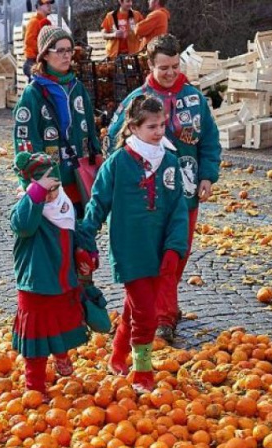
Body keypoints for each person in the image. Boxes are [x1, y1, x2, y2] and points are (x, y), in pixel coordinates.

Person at [107, 34, 220, 343]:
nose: (170, 73)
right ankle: (162, 316)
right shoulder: (136, 101)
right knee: (154, 259)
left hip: (186, 195)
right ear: (150, 65)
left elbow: (210, 141)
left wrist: (208, 176)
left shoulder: (194, 98)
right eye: (163, 68)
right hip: (148, 200)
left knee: (176, 255)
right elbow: (113, 143)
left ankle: (163, 307)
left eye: (174, 66)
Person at [79, 95, 189, 392]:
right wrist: (84, 240)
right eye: (152, 126)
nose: (159, 131)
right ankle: (142, 372)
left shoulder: (169, 161)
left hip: (159, 248)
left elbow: (178, 208)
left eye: (163, 125)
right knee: (147, 313)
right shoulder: (117, 163)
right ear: (133, 127)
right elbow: (98, 205)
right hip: (130, 249)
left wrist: (174, 248)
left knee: (134, 308)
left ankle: (118, 353)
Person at [10, 151, 91, 395]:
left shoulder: (63, 207)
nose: (51, 194)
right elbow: (22, 226)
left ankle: (61, 355)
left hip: (63, 281)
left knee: (62, 325)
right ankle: (33, 385)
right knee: (36, 341)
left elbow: (78, 232)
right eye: (45, 189)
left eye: (54, 187)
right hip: (36, 286)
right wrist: (35, 194)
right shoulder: (28, 209)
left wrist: (88, 254)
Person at [12, 26, 101, 218]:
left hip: (79, 179)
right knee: (56, 241)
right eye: (60, 51)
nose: (67, 56)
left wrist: (98, 158)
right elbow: (26, 140)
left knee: (79, 237)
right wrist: (34, 179)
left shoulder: (77, 88)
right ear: (45, 55)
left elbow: (91, 130)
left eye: (69, 50)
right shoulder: (33, 93)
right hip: (50, 183)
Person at [23, 0, 52, 79]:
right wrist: (45, 50)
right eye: (46, 4)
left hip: (40, 61)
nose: (49, 6)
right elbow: (29, 42)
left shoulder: (46, 23)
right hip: (33, 62)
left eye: (50, 3)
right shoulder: (34, 22)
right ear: (39, 6)